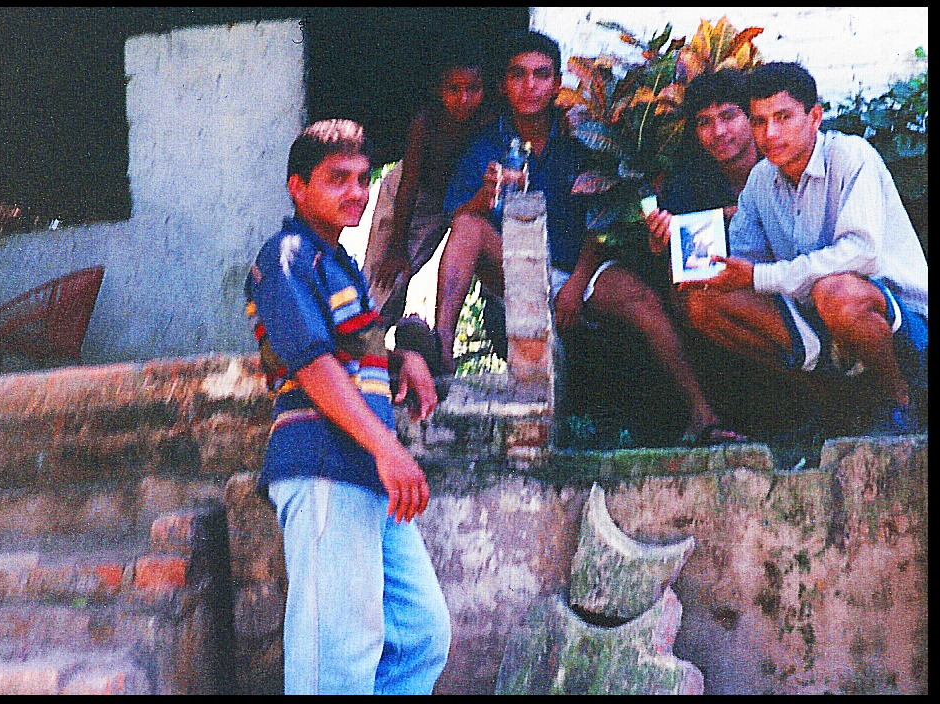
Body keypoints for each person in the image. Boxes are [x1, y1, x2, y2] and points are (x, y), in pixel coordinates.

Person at [436, 30, 742, 445]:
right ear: (504, 84)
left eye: (541, 75)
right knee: (469, 226)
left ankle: (703, 416)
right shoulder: (487, 141)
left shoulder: (580, 136)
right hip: (516, 270)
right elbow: (458, 219)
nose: (530, 86)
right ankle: (440, 353)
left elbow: (605, 216)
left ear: (558, 82)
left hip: (580, 267)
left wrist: (575, 285)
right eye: (518, 75)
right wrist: (482, 196)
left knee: (643, 302)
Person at [244, 119, 451, 694]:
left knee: (420, 635)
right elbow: (313, 366)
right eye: (338, 179)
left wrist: (401, 356)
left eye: (363, 179)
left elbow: (357, 350)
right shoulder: (286, 255)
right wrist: (390, 449)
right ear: (297, 187)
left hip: (367, 474)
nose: (356, 193)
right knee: (334, 655)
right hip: (323, 467)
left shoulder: (343, 269)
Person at [678, 62, 928, 435]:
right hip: (823, 323)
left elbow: (862, 253)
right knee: (703, 301)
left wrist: (759, 276)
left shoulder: (850, 155)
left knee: (835, 291)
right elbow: (748, 263)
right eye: (759, 121)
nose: (770, 133)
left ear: (814, 117)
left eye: (783, 117)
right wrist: (703, 264)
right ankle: (834, 402)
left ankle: (900, 400)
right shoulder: (761, 180)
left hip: (903, 322)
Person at [366, 47, 495, 330]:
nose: (464, 99)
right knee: (384, 277)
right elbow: (409, 184)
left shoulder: (487, 122)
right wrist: (397, 246)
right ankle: (366, 343)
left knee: (406, 269)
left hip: (451, 201)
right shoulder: (426, 122)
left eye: (473, 89)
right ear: (439, 89)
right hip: (407, 194)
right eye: (454, 89)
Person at [645, 69, 760, 252]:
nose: (718, 131)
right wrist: (661, 244)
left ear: (751, 118)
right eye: (705, 122)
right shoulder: (688, 181)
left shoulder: (778, 164)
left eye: (728, 116)